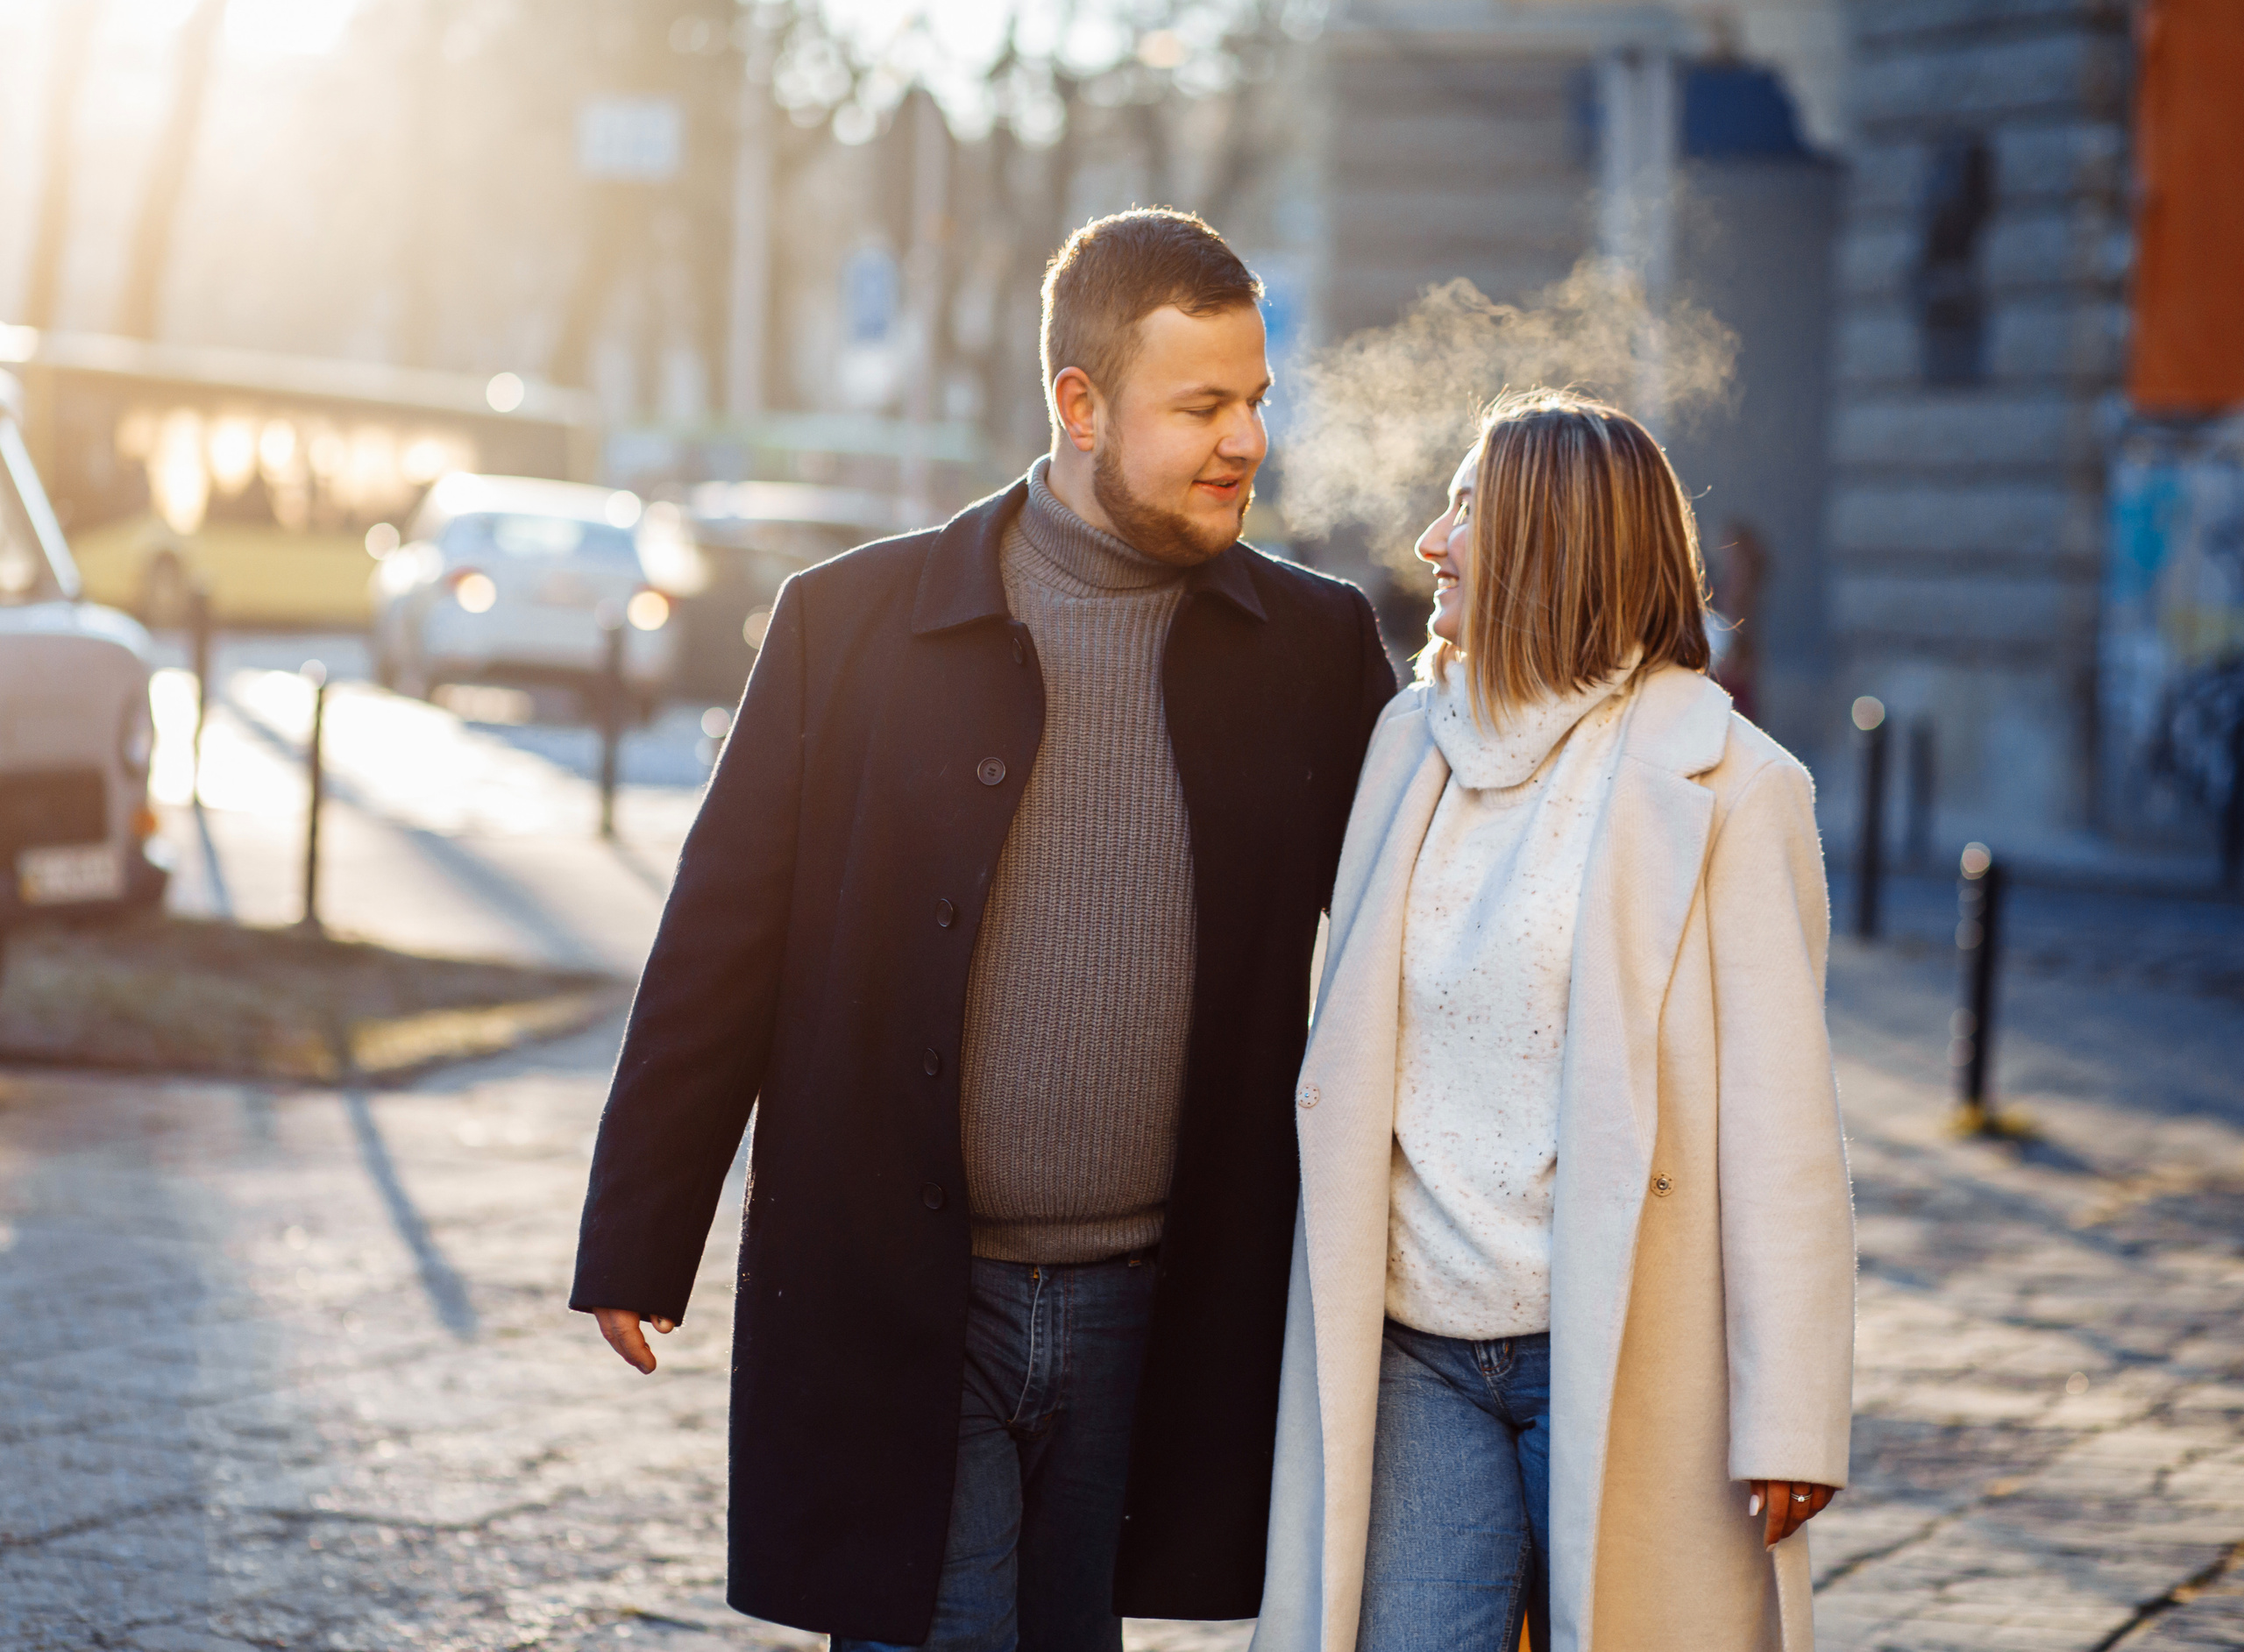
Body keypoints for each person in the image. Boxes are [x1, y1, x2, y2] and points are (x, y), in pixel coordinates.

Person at [570, 208, 1395, 1651]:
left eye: (1256, 400)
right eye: (1201, 405)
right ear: (1080, 404)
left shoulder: (1316, 650)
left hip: (1164, 1299)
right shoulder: (847, 624)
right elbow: (722, 939)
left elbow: (1416, 938)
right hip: (906, 1294)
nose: (1246, 440)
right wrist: (642, 1227)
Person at [1253, 391, 1856, 1652]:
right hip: (1416, 1349)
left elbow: (1784, 1124)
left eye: (1467, 508)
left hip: (1629, 1345)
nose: (1432, 540)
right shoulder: (1409, 740)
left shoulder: (1737, 787)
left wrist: (1793, 1413)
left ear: (1552, 539)